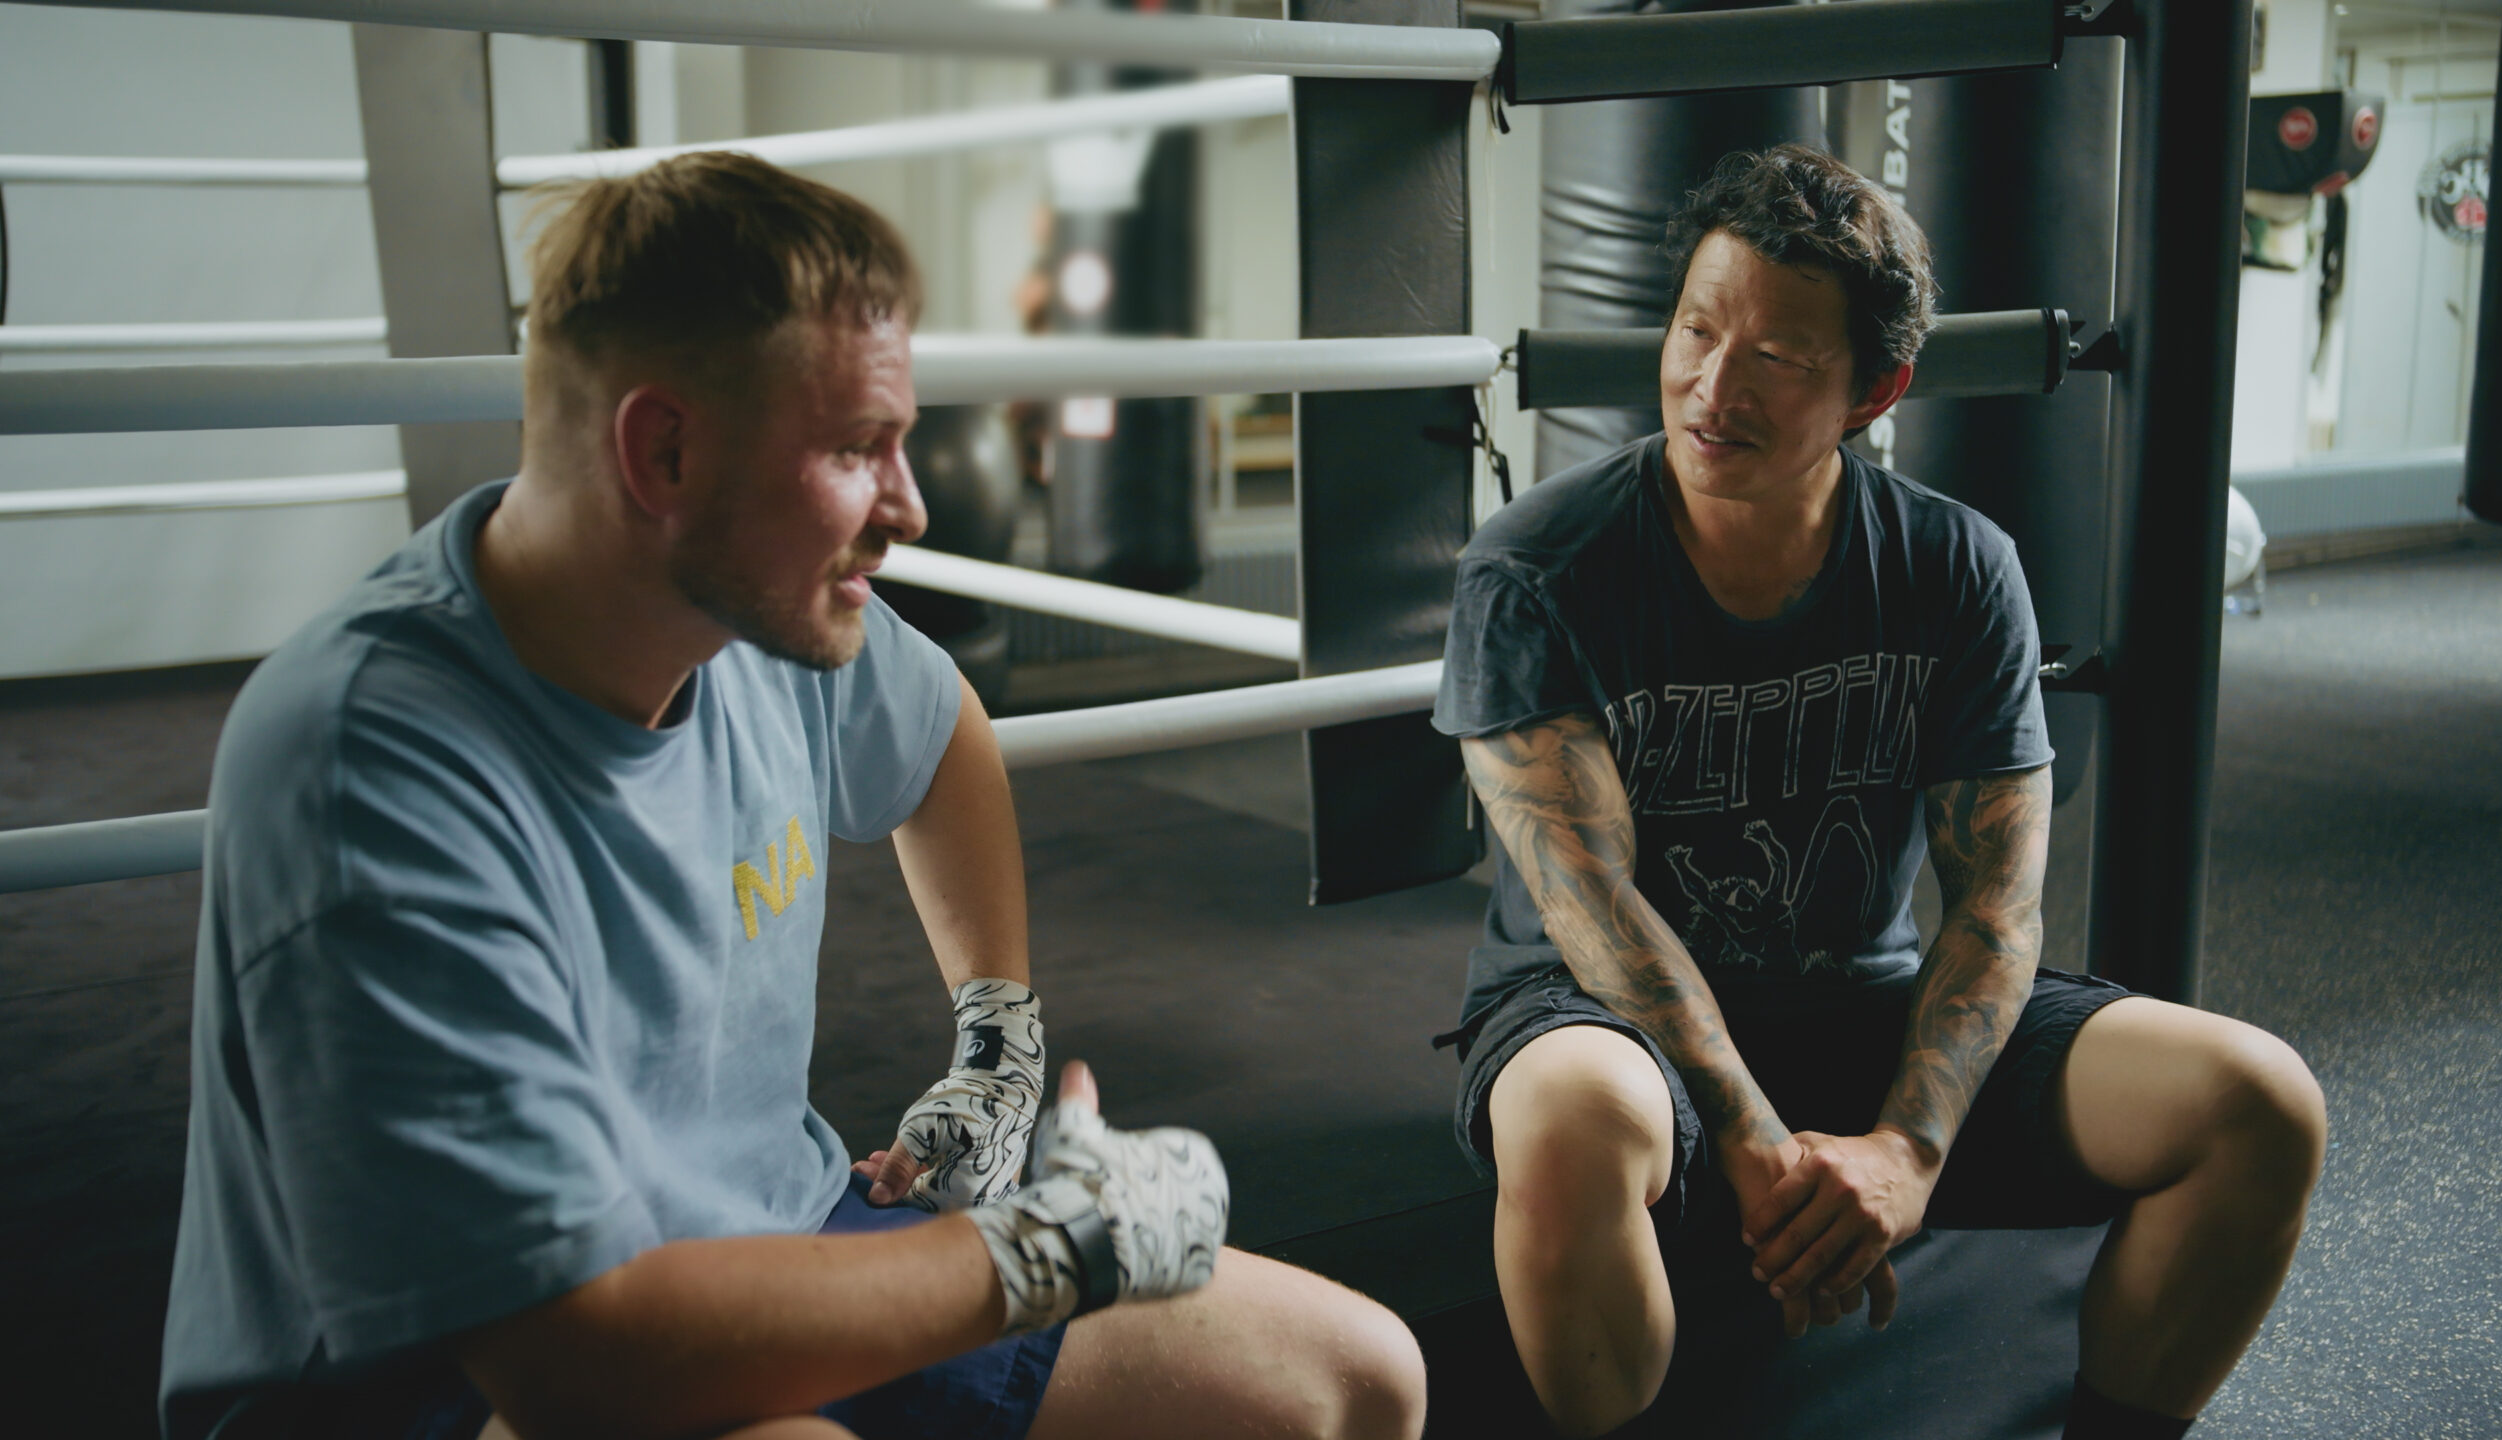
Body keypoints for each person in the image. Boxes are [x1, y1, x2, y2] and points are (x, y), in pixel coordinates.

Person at [160, 152, 1425, 1440]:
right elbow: (571, 1366)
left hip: (775, 1233)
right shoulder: (369, 766)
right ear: (663, 449)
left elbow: (944, 741)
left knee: (1353, 1377)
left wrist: (996, 1046)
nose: (913, 506)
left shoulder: (764, 615)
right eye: (856, 448)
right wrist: (1045, 1249)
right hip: (446, 1375)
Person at [1433, 145, 2326, 1440]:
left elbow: (1997, 908)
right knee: (1574, 1130)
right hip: (1596, 1016)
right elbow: (1595, 906)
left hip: (1861, 1003)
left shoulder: (1957, 568)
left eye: (1780, 358)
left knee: (2260, 1103)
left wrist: (1908, 1147)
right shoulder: (1536, 571)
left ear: (1876, 387)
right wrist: (1749, 1138)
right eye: (1696, 328)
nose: (1712, 386)